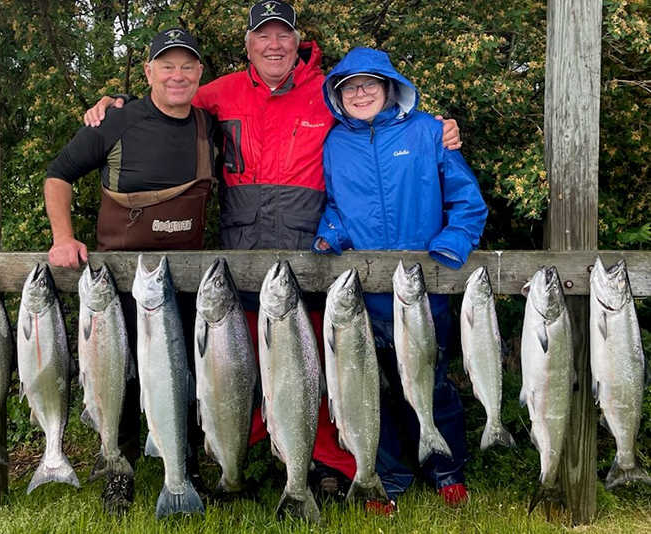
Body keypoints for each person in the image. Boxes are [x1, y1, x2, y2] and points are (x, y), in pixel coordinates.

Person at [83, 0, 464, 504]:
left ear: (297, 39)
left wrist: (434, 126)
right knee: (238, 368)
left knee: (313, 370)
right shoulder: (222, 93)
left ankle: (326, 466)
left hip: (311, 255)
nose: (274, 44)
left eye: (283, 34)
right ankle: (236, 461)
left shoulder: (327, 92)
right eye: (263, 35)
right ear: (248, 45)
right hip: (242, 251)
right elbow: (171, 101)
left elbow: (377, 120)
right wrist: (120, 101)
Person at [45, 28, 216, 514]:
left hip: (184, 285)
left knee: (184, 379)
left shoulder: (209, 127)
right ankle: (116, 469)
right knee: (115, 381)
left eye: (187, 66)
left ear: (200, 73)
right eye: (167, 65)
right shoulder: (117, 120)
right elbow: (58, 175)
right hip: (117, 285)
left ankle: (186, 468)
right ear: (148, 72)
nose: (177, 75)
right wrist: (63, 238)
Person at [312, 47, 488, 506]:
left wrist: (450, 246)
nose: (361, 93)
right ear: (337, 94)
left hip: (421, 294)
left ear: (391, 87)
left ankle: (446, 470)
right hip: (361, 300)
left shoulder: (430, 132)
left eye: (371, 83)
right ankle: (385, 476)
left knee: (430, 383)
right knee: (364, 389)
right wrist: (331, 234)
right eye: (350, 87)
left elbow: (467, 202)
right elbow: (332, 204)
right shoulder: (333, 144)